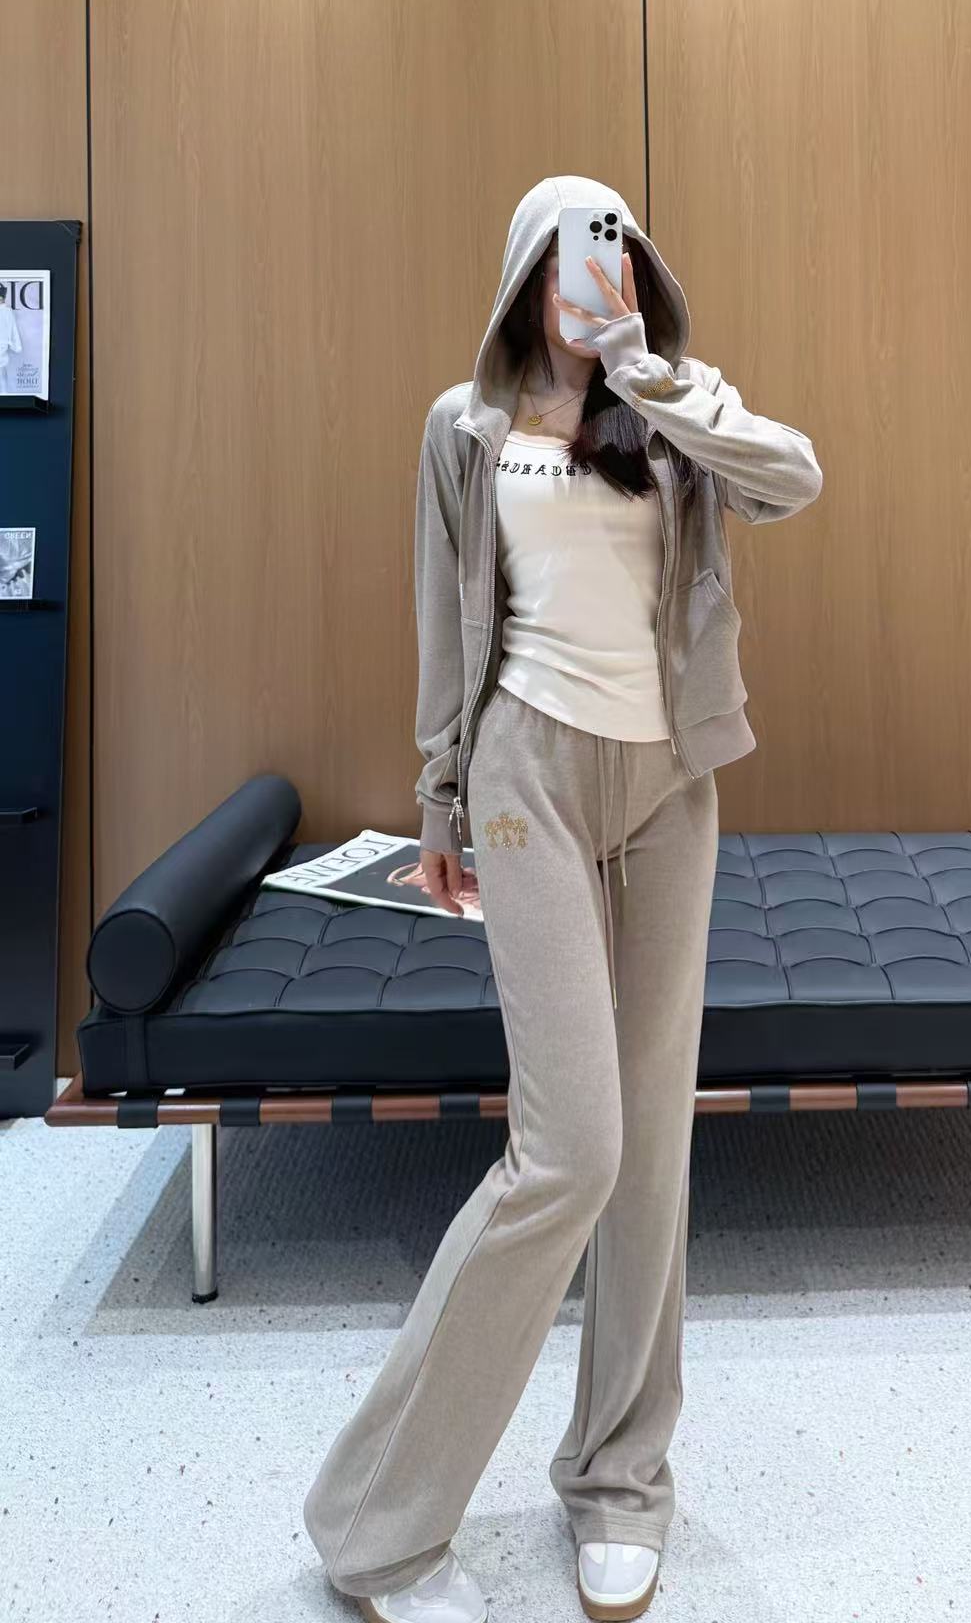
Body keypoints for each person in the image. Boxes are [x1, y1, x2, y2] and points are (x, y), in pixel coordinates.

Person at [303, 174, 823, 1622]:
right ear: (526, 273)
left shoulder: (673, 409)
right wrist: (440, 798)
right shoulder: (463, 427)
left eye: (620, 252)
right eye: (571, 255)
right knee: (570, 1153)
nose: (598, 277)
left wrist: (654, 381)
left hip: (670, 791)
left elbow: (794, 478)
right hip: (528, 775)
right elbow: (443, 617)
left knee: (650, 1152)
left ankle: (618, 1479)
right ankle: (376, 1525)